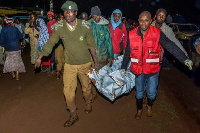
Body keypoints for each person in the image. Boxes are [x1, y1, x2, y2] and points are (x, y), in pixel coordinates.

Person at [34, 1, 98, 127]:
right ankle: (73, 113)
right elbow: (50, 43)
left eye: (71, 12)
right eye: (66, 12)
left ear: (76, 13)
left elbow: (91, 46)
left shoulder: (85, 26)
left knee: (86, 88)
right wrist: (40, 57)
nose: (68, 14)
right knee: (68, 91)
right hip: (69, 65)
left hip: (85, 64)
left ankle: (88, 101)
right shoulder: (59, 27)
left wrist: (95, 63)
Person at [121, 11, 193, 120]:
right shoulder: (132, 34)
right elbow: (127, 53)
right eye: (141, 20)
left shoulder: (157, 33)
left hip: (153, 71)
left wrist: (185, 59)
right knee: (139, 94)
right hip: (138, 71)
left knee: (152, 94)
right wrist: (123, 67)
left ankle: (149, 105)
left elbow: (171, 46)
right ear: (138, 21)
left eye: (146, 20)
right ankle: (139, 109)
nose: (144, 23)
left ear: (151, 21)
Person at [89, 6, 114, 101]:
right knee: (92, 75)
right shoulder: (88, 24)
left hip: (103, 54)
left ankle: (102, 91)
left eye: (98, 15)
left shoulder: (105, 25)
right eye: (95, 15)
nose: (97, 17)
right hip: (90, 55)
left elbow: (109, 41)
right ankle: (94, 92)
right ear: (92, 16)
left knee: (101, 75)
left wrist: (110, 56)